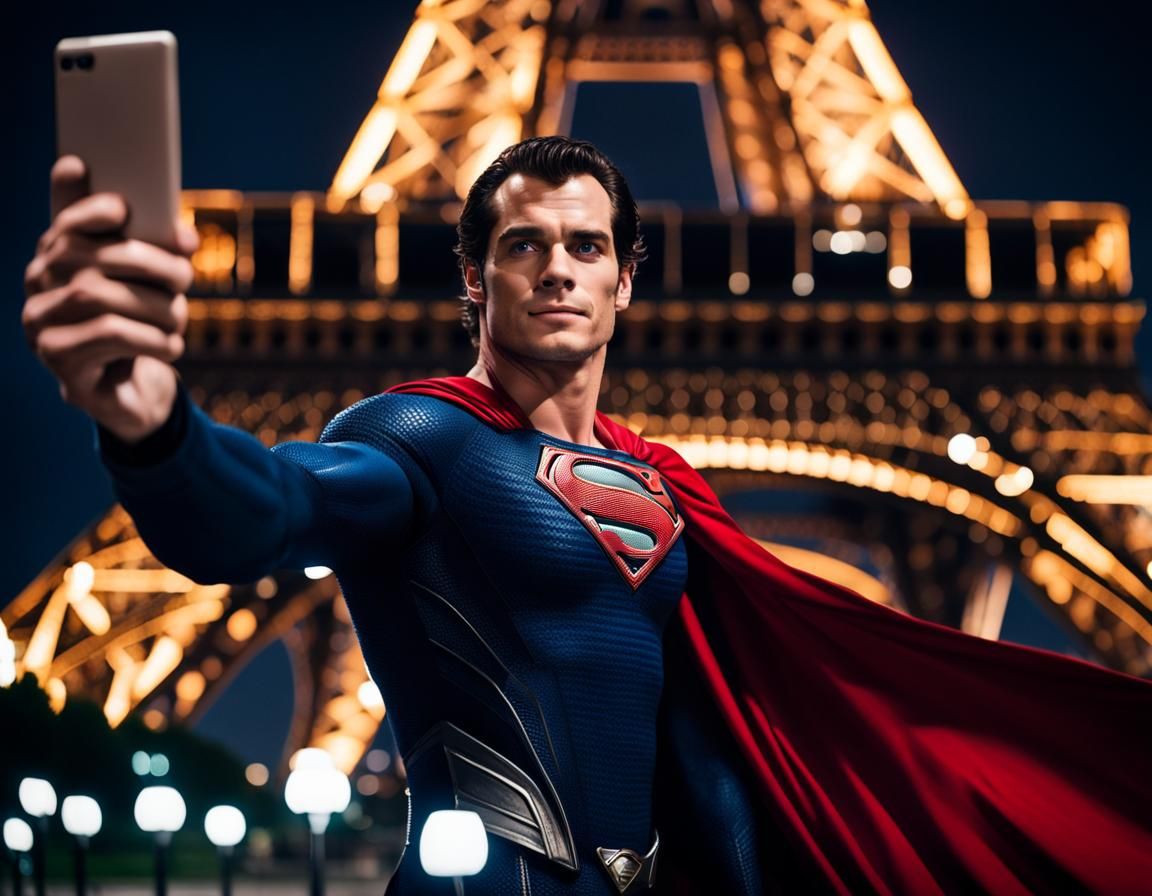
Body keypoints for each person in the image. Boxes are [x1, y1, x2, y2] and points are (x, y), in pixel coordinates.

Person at [23, 136, 1152, 895]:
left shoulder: (662, 483)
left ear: (625, 279)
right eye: (523, 245)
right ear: (475, 280)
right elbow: (262, 514)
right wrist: (153, 429)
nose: (557, 269)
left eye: (586, 245)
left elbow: (726, 731)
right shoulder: (417, 439)